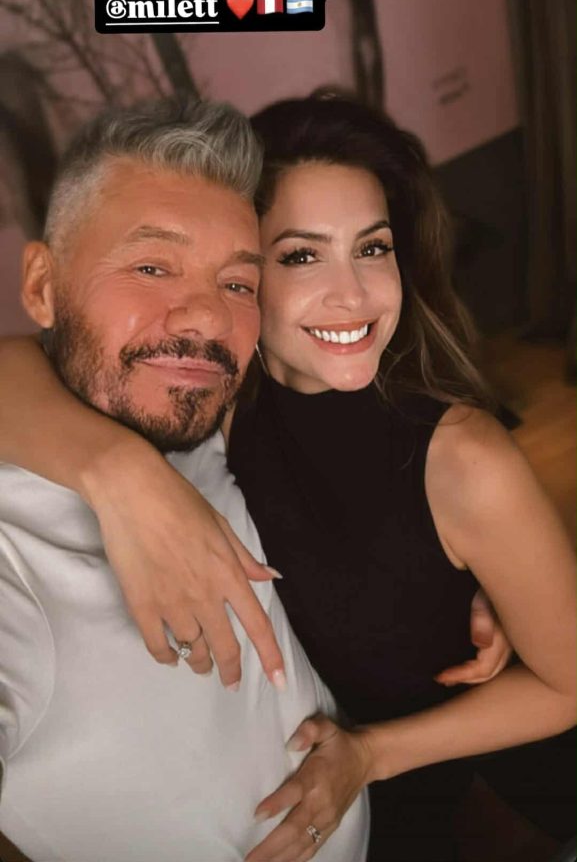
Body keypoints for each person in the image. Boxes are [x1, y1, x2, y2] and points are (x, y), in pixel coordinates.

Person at [0, 93, 574, 861]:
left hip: (509, 799)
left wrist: (373, 749)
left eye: (372, 247)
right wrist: (120, 474)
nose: (353, 293)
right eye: (300, 255)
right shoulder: (212, 409)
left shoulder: (461, 458)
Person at [0, 99, 369, 862]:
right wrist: (116, 472)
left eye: (237, 284)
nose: (205, 317)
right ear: (41, 286)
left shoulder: (190, 423)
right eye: (151, 267)